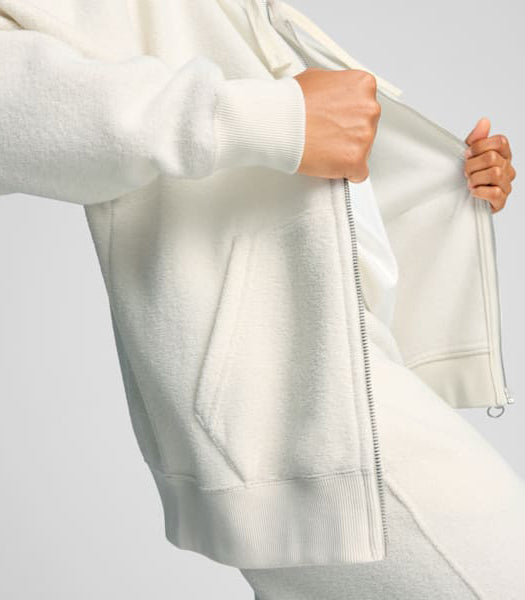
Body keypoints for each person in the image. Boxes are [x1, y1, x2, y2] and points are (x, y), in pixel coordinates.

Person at [0, 0, 523, 598]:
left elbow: (302, 167)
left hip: (334, 370)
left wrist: (441, 181)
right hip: (290, 394)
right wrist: (272, 119)